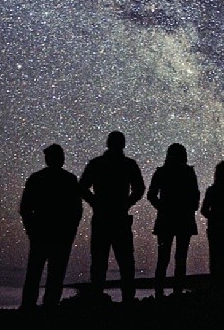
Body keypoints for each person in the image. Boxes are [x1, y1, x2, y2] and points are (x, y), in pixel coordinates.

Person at [79, 130, 145, 302]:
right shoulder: (128, 164)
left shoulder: (97, 163)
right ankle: (126, 301)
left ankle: (98, 299)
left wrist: (95, 202)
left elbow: (82, 187)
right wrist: (127, 202)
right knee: (124, 263)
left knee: (103, 262)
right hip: (116, 217)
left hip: (105, 217)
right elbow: (139, 188)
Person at [19, 143, 83, 311]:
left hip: (44, 234)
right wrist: (71, 231)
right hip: (57, 235)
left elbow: (25, 209)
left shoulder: (37, 178)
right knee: (54, 275)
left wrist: (31, 230)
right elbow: (77, 210)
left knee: (36, 274)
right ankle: (48, 310)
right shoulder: (69, 180)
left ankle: (29, 309)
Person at [147, 143, 200, 298]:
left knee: (163, 258)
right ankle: (176, 292)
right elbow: (195, 194)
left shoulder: (162, 172)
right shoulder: (188, 173)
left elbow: (151, 195)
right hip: (183, 219)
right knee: (180, 257)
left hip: (166, 220)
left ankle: (159, 293)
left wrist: (162, 208)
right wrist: (190, 208)